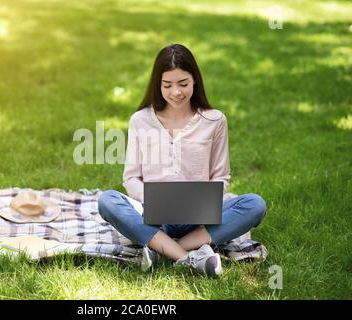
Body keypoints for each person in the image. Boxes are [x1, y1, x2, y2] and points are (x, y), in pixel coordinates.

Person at [98, 44, 267, 277]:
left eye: (183, 84)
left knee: (254, 205)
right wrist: (155, 199)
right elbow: (131, 177)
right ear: (158, 85)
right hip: (154, 213)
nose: (176, 92)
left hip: (197, 217)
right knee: (107, 201)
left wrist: (200, 202)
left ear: (195, 80)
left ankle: (162, 248)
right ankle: (189, 257)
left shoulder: (214, 120)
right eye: (167, 85)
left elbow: (221, 177)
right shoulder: (140, 120)